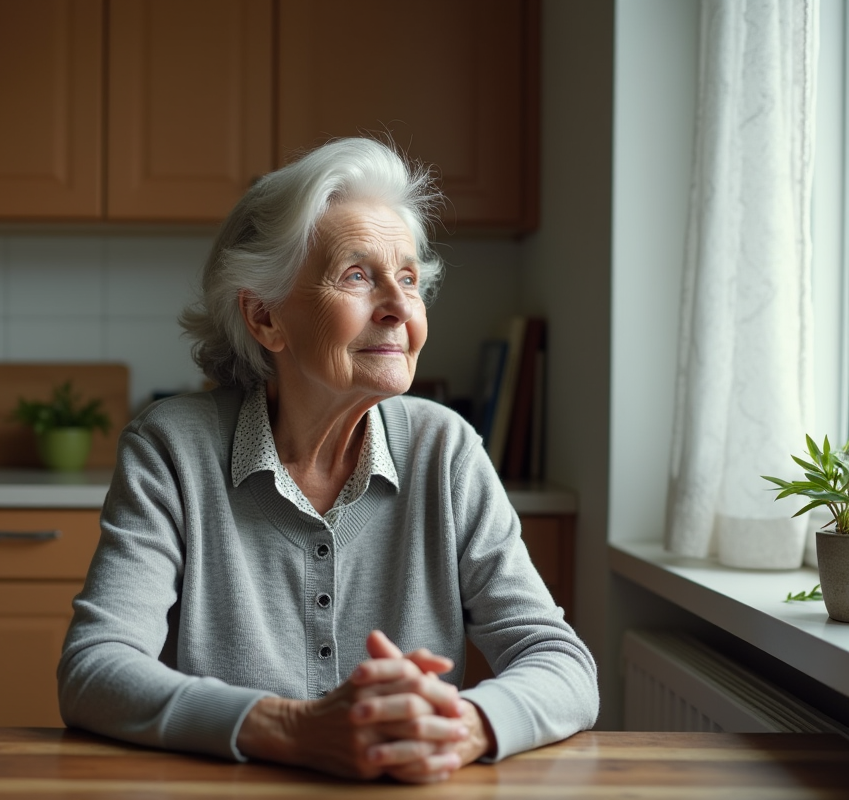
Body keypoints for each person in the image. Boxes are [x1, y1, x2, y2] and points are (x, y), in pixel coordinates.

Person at [58, 137, 599, 784]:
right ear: (265, 317)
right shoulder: (172, 449)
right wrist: (290, 729)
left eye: (408, 279)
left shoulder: (445, 450)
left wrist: (460, 727)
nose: (398, 308)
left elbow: (562, 663)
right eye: (357, 275)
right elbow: (94, 668)